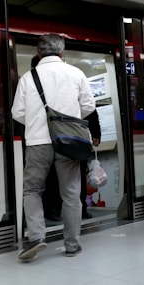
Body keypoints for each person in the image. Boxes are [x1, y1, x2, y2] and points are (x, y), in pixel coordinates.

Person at [12, 34, 95, 260]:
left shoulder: (28, 77)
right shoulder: (76, 74)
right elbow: (88, 106)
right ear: (62, 52)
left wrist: (38, 121)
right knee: (70, 193)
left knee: (32, 190)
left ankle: (37, 237)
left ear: (38, 54)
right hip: (68, 141)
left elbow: (17, 113)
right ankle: (72, 245)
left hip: (38, 141)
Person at [31, 54, 101, 221]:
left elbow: (89, 109)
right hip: (72, 136)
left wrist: (95, 132)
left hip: (64, 137)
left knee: (57, 178)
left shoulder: (47, 84)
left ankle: (62, 210)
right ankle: (65, 212)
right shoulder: (66, 80)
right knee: (67, 178)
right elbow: (89, 107)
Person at [81, 109, 101, 218]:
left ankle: (53, 209)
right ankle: (81, 209)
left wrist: (96, 133)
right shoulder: (79, 92)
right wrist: (96, 134)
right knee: (80, 177)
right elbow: (90, 110)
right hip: (79, 138)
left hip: (57, 138)